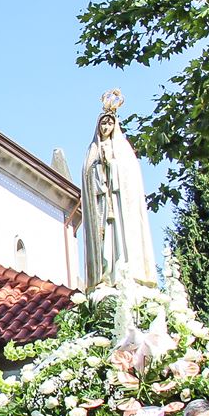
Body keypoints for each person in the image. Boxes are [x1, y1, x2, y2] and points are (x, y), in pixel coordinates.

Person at [81, 90, 157, 288]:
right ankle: (106, 276)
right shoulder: (92, 151)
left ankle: (125, 273)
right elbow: (88, 179)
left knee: (121, 242)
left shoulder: (123, 149)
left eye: (109, 123)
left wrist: (112, 165)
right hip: (102, 205)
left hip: (119, 204)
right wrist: (99, 168)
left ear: (115, 126)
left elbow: (129, 177)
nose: (106, 127)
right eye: (103, 124)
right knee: (105, 243)